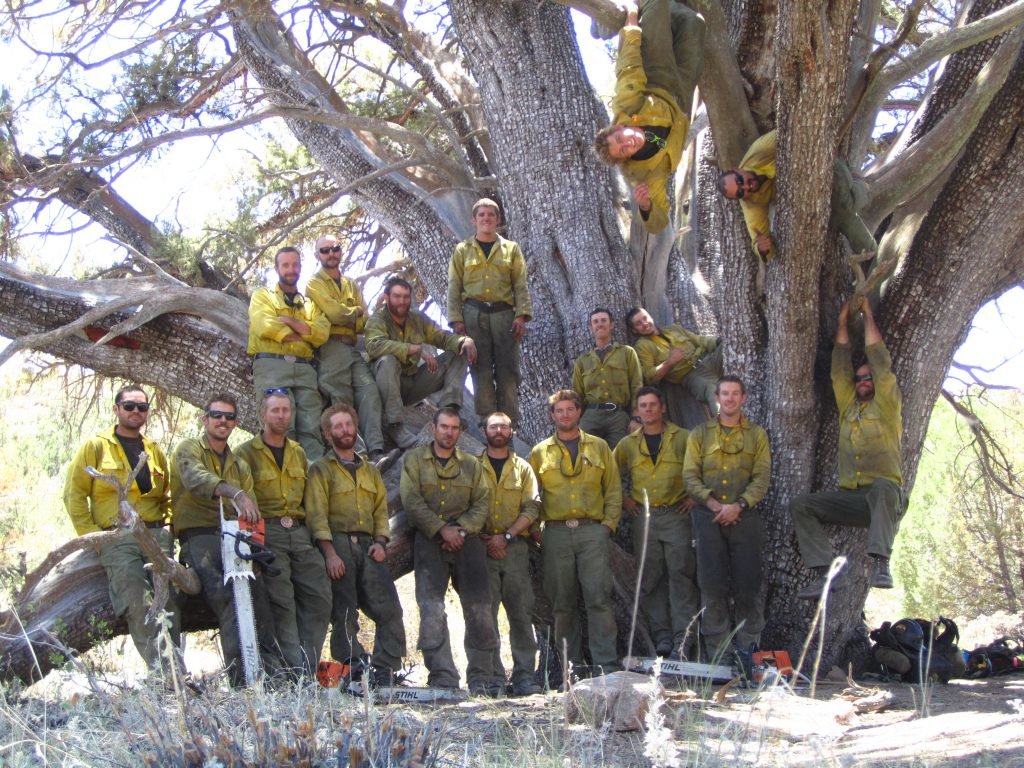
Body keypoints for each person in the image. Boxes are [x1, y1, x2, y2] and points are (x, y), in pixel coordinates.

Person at [792, 299, 904, 598]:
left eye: (868, 378)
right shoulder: (848, 408)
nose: (863, 381)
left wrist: (867, 313)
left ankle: (881, 563)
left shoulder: (887, 406)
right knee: (802, 505)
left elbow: (880, 362)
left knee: (883, 487)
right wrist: (843, 319)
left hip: (886, 499)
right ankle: (827, 574)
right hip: (854, 499)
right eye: (859, 379)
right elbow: (839, 368)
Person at [171, 393, 283, 686]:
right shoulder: (189, 449)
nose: (223, 421)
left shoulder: (239, 465)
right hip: (199, 534)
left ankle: (273, 678)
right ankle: (242, 681)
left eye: (229, 417)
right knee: (228, 597)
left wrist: (256, 543)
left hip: (235, 535)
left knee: (258, 597)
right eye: (217, 415)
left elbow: (251, 510)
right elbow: (195, 479)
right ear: (205, 419)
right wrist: (233, 492)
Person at [63, 385, 178, 669]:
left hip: (156, 536)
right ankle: (164, 674)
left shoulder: (153, 450)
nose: (136, 412)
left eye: (142, 407)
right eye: (129, 406)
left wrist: (169, 528)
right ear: (116, 410)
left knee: (170, 603)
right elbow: (74, 494)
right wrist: (94, 538)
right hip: (117, 536)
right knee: (137, 600)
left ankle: (179, 670)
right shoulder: (96, 445)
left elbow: (168, 495)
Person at [305, 404, 407, 686]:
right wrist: (329, 554)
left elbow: (380, 512)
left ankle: (385, 670)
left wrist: (381, 541)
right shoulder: (321, 470)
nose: (345, 430)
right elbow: (316, 514)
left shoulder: (369, 471)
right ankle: (353, 668)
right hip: (338, 545)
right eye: (337, 426)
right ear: (328, 434)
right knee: (345, 611)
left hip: (368, 546)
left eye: (348, 424)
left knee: (389, 608)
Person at [399, 407, 498, 693]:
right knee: (432, 608)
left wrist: (462, 529)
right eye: (444, 427)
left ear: (460, 432)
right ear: (433, 428)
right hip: (429, 541)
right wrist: (441, 529)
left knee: (480, 607)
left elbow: (482, 502)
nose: (449, 432)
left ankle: (481, 677)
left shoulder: (471, 465)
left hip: (469, 543)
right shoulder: (415, 461)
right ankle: (442, 676)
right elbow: (411, 500)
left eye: (454, 428)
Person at [237, 391, 331, 678]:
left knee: (319, 597)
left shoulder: (298, 452)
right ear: (263, 414)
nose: (281, 416)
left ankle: (307, 666)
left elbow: (310, 501)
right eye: (275, 410)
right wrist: (255, 542)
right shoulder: (245, 453)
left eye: (286, 411)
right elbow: (244, 499)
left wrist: (317, 537)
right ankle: (294, 676)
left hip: (300, 533)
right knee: (283, 603)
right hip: (269, 532)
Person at [529, 390, 622, 677]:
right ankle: (573, 668)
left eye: (570, 409)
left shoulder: (599, 447)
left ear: (579, 412)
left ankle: (606, 665)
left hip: (592, 532)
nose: (565, 415)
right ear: (552, 415)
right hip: (555, 535)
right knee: (563, 604)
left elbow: (614, 490)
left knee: (598, 599)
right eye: (560, 410)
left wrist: (607, 526)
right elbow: (531, 497)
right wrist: (536, 532)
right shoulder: (539, 452)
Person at [593, 0, 705, 233]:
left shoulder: (627, 105)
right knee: (694, 23)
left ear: (619, 127)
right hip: (681, 97)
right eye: (624, 150)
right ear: (626, 158)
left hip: (656, 75)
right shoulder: (645, 172)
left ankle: (602, 25)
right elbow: (659, 223)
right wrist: (645, 207)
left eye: (621, 138)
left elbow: (629, 67)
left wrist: (632, 20)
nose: (628, 143)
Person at [683, 376, 771, 662]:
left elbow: (762, 477)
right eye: (725, 394)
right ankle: (718, 655)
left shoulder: (757, 435)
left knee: (749, 584)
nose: (730, 399)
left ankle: (749, 651)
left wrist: (739, 505)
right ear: (717, 398)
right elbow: (689, 476)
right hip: (707, 517)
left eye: (735, 394)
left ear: (743, 398)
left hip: (745, 517)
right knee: (711, 584)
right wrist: (713, 504)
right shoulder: (700, 434)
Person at [613, 386, 699, 659]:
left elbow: (703, 469)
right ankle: (662, 636)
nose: (648, 410)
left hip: (676, 515)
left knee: (681, 575)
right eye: (643, 406)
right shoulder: (628, 444)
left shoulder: (684, 438)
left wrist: (695, 498)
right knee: (650, 579)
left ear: (662, 408)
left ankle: (682, 639)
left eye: (652, 405)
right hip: (643, 518)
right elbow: (610, 476)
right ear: (637, 410)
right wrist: (625, 499)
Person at [717, 129, 877, 261]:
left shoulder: (760, 150)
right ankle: (870, 252)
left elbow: (799, 132)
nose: (745, 186)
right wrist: (763, 249)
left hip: (827, 167)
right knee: (833, 218)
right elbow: (758, 238)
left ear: (738, 170)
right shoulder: (750, 201)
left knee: (845, 205)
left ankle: (862, 185)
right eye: (740, 192)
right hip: (813, 193)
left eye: (739, 180)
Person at [447, 199, 532, 427]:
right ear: (474, 220)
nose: (486, 219)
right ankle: (487, 423)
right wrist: (456, 321)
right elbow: (454, 287)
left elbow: (520, 285)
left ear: (498, 219)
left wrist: (521, 315)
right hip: (473, 316)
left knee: (508, 371)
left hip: (504, 316)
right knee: (480, 370)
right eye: (482, 215)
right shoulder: (462, 250)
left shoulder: (511, 249)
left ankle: (508, 425)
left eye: (491, 215)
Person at [365, 277, 477, 448]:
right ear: (387, 298)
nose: (402, 301)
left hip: (413, 383)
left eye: (406, 297)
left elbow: (441, 337)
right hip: (387, 386)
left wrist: (463, 341)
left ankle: (449, 413)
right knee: (388, 360)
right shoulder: (377, 320)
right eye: (396, 296)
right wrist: (413, 349)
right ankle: (395, 425)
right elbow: (374, 346)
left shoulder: (417, 319)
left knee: (458, 353)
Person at [305, 234, 387, 461]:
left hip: (352, 347)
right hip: (331, 347)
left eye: (335, 248)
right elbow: (333, 313)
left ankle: (377, 449)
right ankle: (357, 455)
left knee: (369, 391)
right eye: (325, 250)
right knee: (341, 399)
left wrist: (353, 315)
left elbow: (363, 322)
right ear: (317, 255)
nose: (331, 253)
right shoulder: (315, 283)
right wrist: (354, 312)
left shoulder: (350, 284)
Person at [478, 412, 543, 696]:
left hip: (515, 548)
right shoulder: (472, 466)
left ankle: (524, 676)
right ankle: (491, 677)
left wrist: (506, 536)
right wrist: (487, 538)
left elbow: (532, 507)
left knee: (520, 614)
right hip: (482, 548)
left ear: (511, 431)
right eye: (494, 426)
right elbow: (464, 503)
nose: (499, 431)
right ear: (485, 431)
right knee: (485, 615)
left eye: (504, 426)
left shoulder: (523, 468)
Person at [247, 246, 330, 459]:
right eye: (285, 265)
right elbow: (264, 325)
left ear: (300, 267)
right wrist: (304, 333)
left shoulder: (310, 305)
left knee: (311, 428)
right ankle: (284, 484)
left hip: (304, 369)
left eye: (295, 264)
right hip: (272, 366)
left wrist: (289, 321)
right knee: (280, 427)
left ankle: (314, 480)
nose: (291, 269)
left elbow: (322, 333)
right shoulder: (263, 296)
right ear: (276, 268)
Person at [627, 306, 722, 423]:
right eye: (638, 323)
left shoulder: (673, 328)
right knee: (713, 390)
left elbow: (699, 340)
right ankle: (728, 425)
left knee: (731, 344)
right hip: (691, 375)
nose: (645, 323)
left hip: (708, 359)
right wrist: (670, 362)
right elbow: (649, 376)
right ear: (634, 330)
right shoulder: (643, 346)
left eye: (645, 318)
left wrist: (719, 341)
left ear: (650, 316)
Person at [572, 308, 643, 449]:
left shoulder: (627, 353)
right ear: (591, 327)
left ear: (611, 325)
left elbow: (637, 385)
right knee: (584, 453)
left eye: (604, 320)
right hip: (591, 415)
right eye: (595, 322)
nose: (600, 324)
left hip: (619, 414)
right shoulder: (582, 360)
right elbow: (577, 394)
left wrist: (636, 417)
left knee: (620, 458)